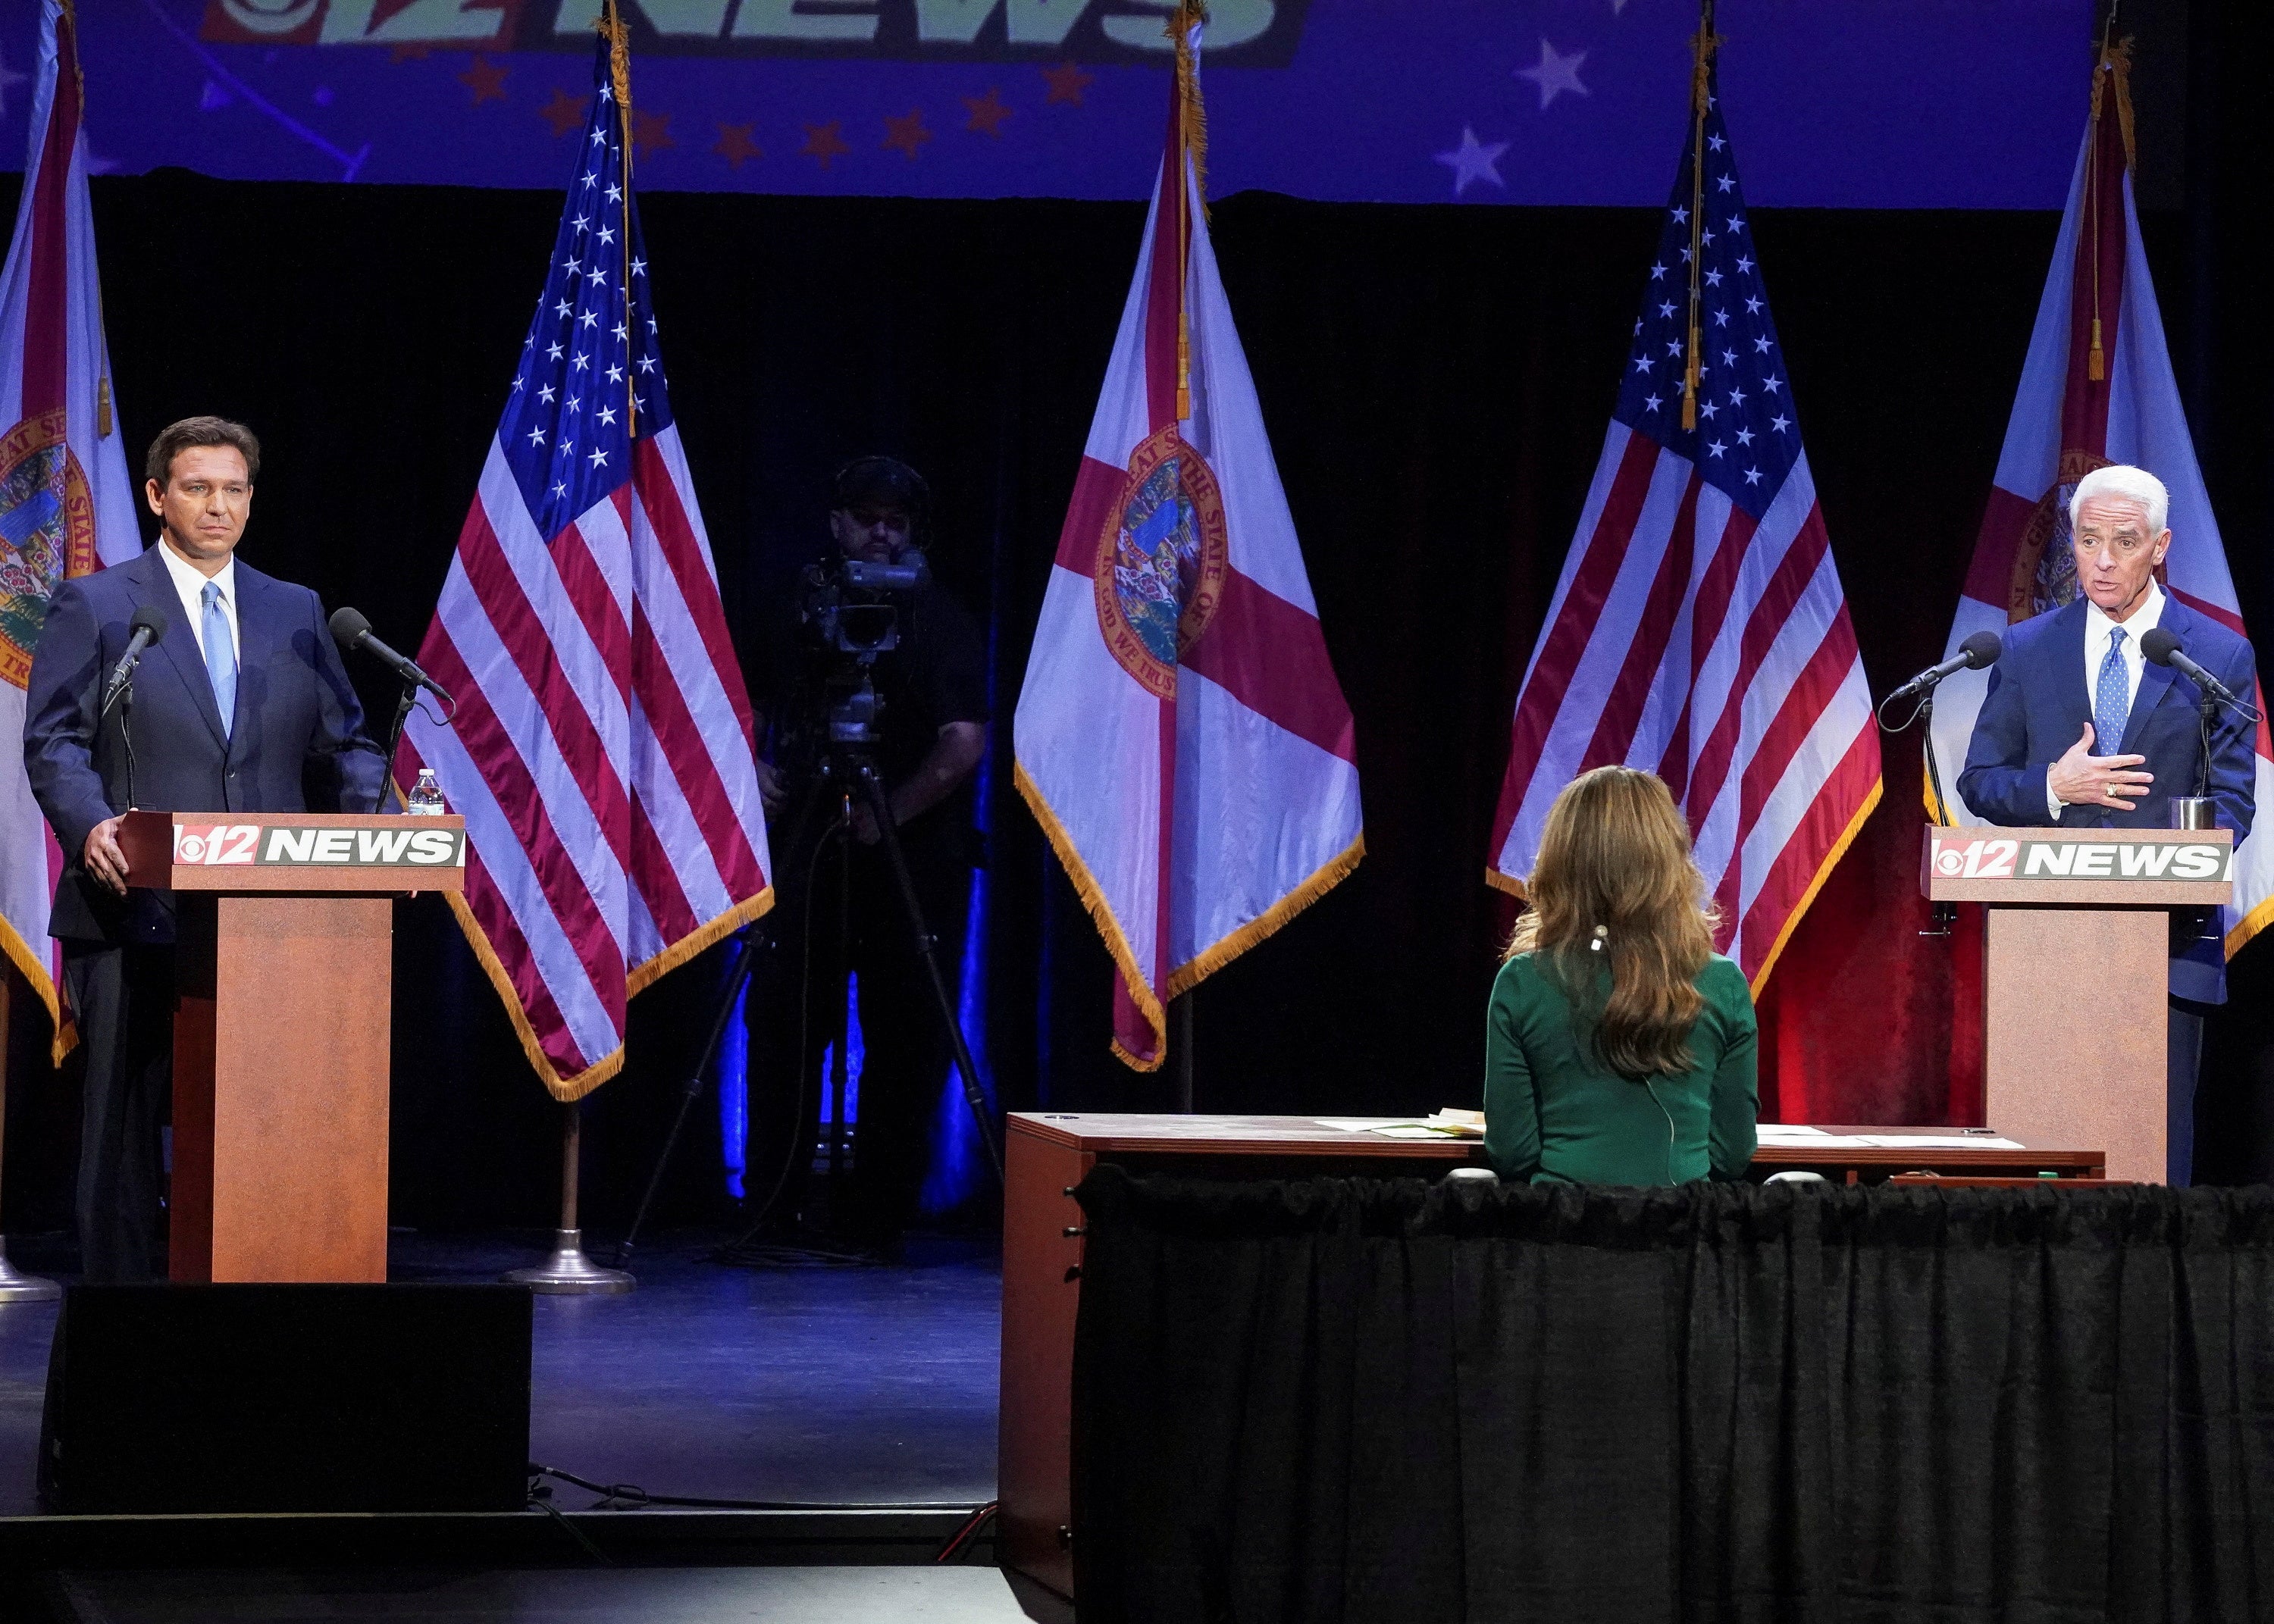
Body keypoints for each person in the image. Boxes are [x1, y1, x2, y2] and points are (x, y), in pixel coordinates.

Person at [22, 417, 385, 1280]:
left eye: (233, 489)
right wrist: (92, 823)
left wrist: (373, 817)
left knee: (270, 1119)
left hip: (277, 920)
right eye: (196, 487)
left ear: (252, 500)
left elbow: (346, 744)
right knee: (123, 1131)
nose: (216, 505)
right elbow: (55, 742)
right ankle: (120, 1323)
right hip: (132, 904)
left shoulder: (294, 610)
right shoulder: (102, 605)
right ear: (157, 495)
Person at [1956, 463, 2256, 1184]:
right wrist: (2053, 788)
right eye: (2089, 540)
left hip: (2167, 952)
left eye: (2124, 542)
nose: (2103, 559)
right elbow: (1981, 782)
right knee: (2042, 1173)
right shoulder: (2026, 650)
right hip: (2046, 951)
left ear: (2159, 546)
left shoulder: (2214, 656)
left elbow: (2235, 804)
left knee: (2151, 1170)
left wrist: (2158, 859)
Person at [744, 456, 988, 1253]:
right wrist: (754, 766)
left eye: (897, 521)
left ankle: (878, 1216)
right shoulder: (793, 604)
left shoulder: (940, 618)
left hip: (911, 857)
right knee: (785, 1019)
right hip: (810, 839)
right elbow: (735, 697)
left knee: (907, 1034)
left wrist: (893, 814)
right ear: (837, 522)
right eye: (867, 517)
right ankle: (771, 1207)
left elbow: (963, 744)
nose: (881, 532)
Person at [1483, 765, 1758, 1186]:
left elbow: (1512, 1153)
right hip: (1686, 1238)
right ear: (1670, 861)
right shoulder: (1725, 984)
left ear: (1561, 863)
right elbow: (1731, 1155)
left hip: (1558, 1234)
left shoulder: (1522, 982)